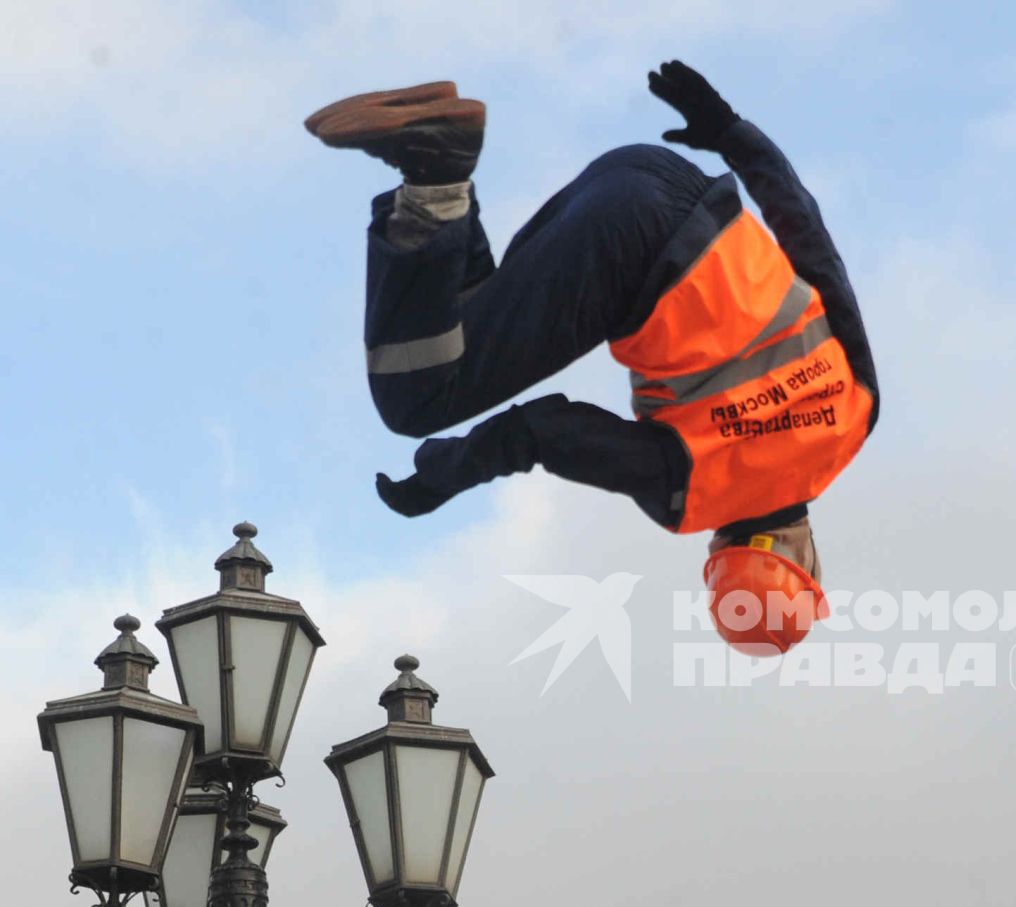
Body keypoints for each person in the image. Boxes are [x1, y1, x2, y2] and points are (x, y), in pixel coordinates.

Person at [305, 63, 877, 653]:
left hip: (656, 176)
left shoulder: (857, 416)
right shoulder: (687, 494)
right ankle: (434, 169)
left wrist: (732, 133)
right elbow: (545, 432)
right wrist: (443, 476)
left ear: (804, 554)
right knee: (417, 400)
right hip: (625, 246)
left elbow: (811, 241)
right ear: (720, 557)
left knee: (463, 337)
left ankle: (437, 153)